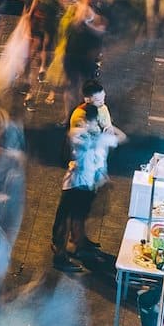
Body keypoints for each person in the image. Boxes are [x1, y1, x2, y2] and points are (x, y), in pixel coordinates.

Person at [53, 80, 121, 272]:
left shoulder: (100, 112)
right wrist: (101, 136)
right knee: (66, 216)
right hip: (77, 179)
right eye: (99, 101)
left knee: (79, 213)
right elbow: (89, 141)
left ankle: (78, 242)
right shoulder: (80, 123)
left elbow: (109, 131)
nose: (102, 103)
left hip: (89, 178)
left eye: (103, 99)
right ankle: (61, 254)